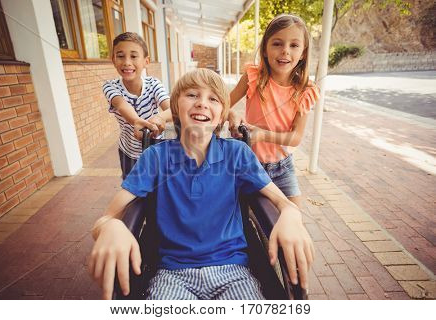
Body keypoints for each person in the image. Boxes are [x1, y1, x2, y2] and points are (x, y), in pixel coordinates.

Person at [89, 68, 314, 300]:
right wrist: (112, 227)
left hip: (234, 271)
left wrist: (291, 215)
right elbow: (106, 218)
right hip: (172, 274)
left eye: (213, 99)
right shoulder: (155, 157)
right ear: (175, 107)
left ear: (222, 115)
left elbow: (282, 202)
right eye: (192, 95)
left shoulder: (237, 154)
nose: (202, 104)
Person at [229, 14, 319, 208]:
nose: (285, 51)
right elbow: (223, 103)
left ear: (303, 52)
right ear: (265, 49)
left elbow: (295, 137)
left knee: (294, 217)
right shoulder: (253, 76)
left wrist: (262, 135)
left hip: (283, 167)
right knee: (247, 216)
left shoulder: (305, 91)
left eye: (294, 45)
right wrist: (232, 115)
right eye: (277, 43)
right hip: (249, 165)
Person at [103, 32, 172, 179]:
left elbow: (172, 109)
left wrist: (159, 118)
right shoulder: (110, 87)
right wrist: (135, 121)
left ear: (146, 61)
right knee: (132, 189)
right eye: (120, 56)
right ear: (113, 60)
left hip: (155, 149)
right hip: (129, 153)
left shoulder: (154, 84)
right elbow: (121, 105)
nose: (127, 62)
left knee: (157, 187)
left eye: (134, 56)